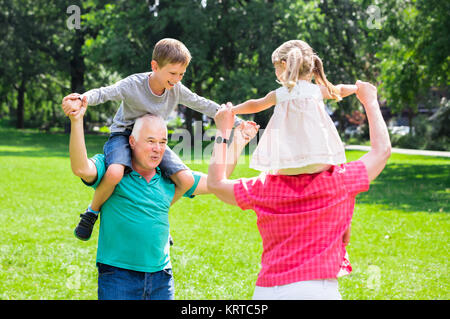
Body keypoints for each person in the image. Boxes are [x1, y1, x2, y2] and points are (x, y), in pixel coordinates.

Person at [207, 80, 391, 299]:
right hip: (318, 291)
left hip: (267, 291)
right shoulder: (340, 181)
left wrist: (225, 133)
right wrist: (370, 100)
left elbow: (216, 182)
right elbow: (381, 151)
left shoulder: (263, 189)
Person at [62, 96, 257, 300]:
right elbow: (81, 168)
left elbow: (217, 181)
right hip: (118, 276)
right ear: (132, 141)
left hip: (161, 279)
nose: (157, 149)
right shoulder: (112, 167)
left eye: (162, 142)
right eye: (151, 141)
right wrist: (76, 122)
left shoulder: (170, 178)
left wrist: (238, 143)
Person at [62, 38, 242, 241]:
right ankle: (91, 213)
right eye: (172, 73)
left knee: (185, 180)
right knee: (114, 173)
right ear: (155, 66)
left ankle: (158, 216)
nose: (176, 79)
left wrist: (236, 122)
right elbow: (105, 93)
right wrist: (81, 98)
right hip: (124, 135)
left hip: (154, 140)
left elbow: (202, 104)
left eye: (181, 74)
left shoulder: (177, 89)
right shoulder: (133, 84)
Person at [232, 39, 357, 175]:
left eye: (276, 67)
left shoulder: (280, 94)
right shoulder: (316, 91)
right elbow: (340, 90)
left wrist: (233, 110)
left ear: (284, 65)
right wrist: (357, 87)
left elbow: (255, 105)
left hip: (287, 163)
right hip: (320, 158)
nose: (275, 71)